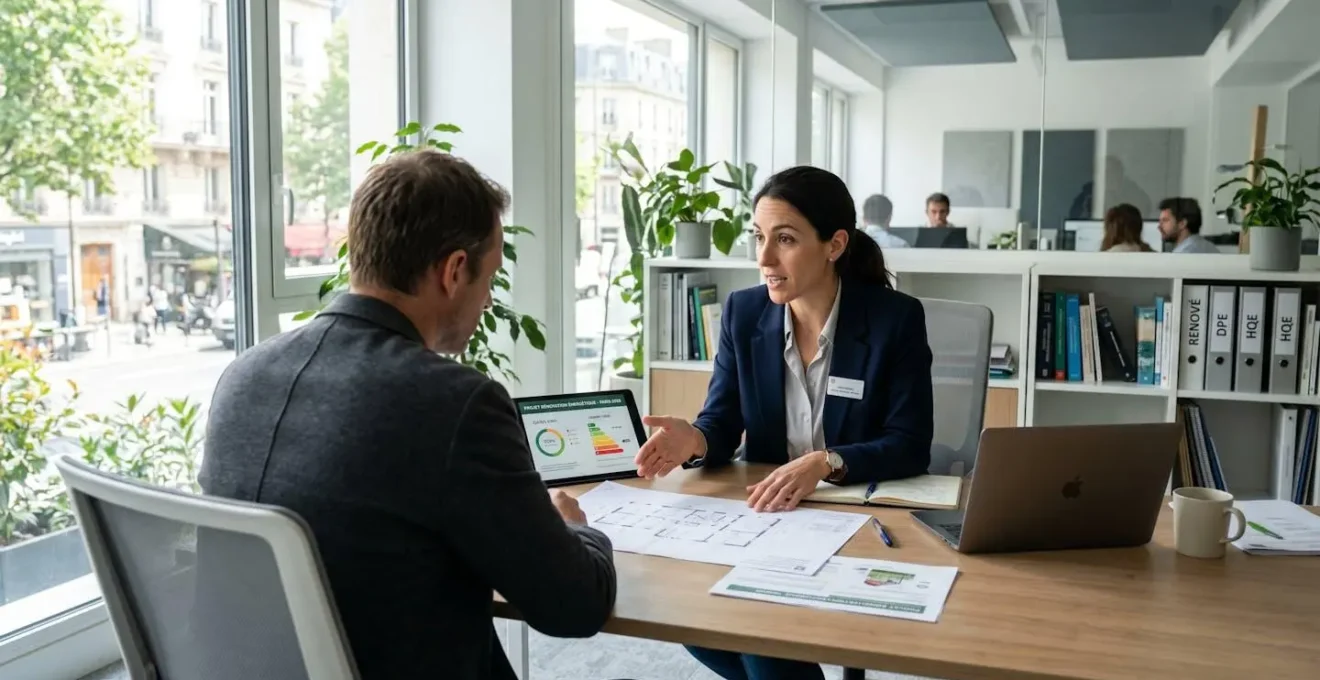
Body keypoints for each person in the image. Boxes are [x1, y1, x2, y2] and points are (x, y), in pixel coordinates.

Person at [198, 150, 617, 679]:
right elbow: (574, 606)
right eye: (489, 277)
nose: (488, 300)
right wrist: (577, 531)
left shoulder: (243, 376)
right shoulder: (455, 403)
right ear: (455, 270)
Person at [636, 166, 935, 680]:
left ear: (835, 244)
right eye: (758, 237)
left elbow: (909, 444)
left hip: (857, 521)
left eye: (786, 239)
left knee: (759, 639)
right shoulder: (743, 313)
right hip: (771, 517)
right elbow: (723, 422)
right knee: (680, 610)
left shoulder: (895, 320)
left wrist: (824, 462)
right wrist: (696, 439)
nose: (764, 258)